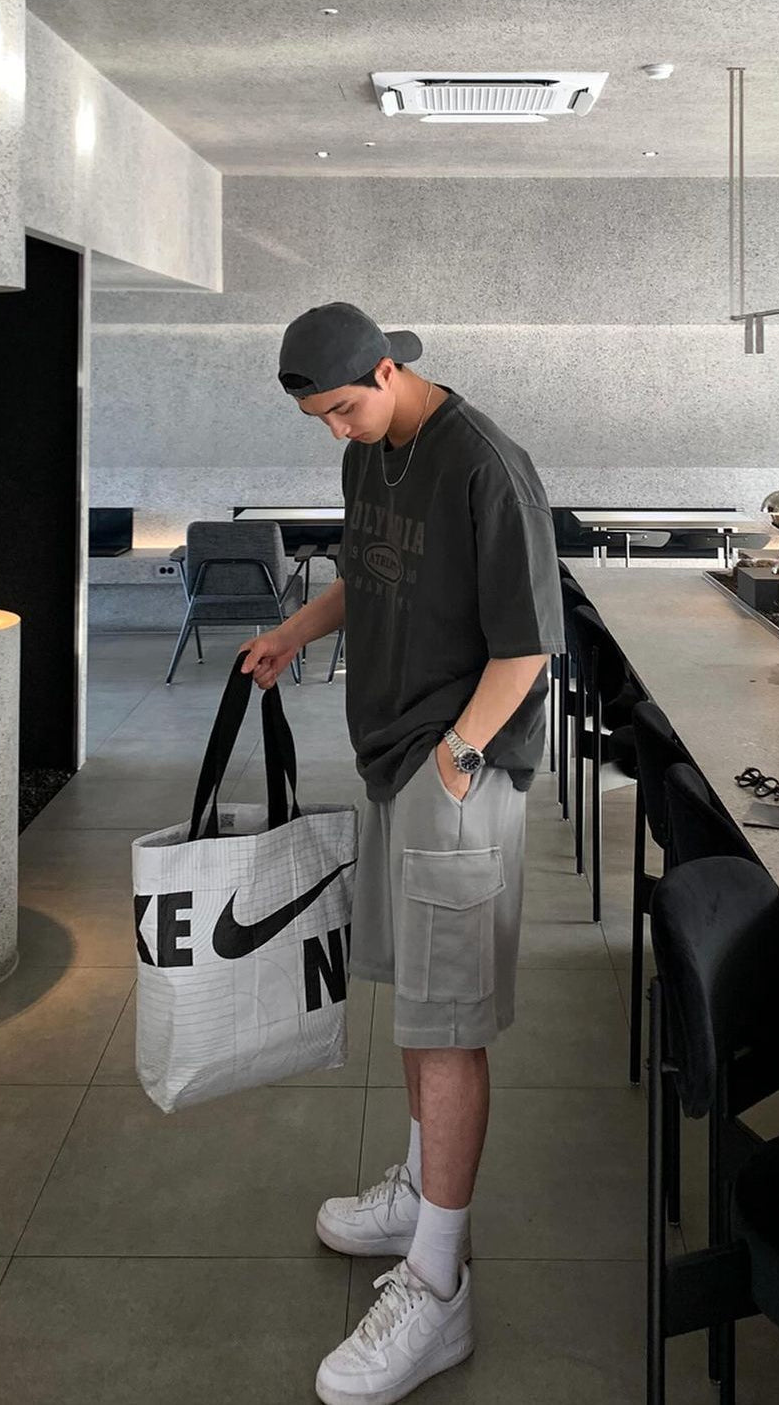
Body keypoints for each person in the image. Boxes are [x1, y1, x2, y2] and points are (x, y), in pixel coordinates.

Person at [240, 302, 564, 1405]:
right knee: (418, 1012)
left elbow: (529, 645)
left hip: (453, 768)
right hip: (393, 763)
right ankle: (421, 1188)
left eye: (343, 408)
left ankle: (437, 1284)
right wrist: (295, 630)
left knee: (449, 1025)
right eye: (320, 420)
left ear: (387, 371)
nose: (336, 431)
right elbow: (369, 576)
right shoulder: (370, 456)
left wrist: (459, 759)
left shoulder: (487, 467)